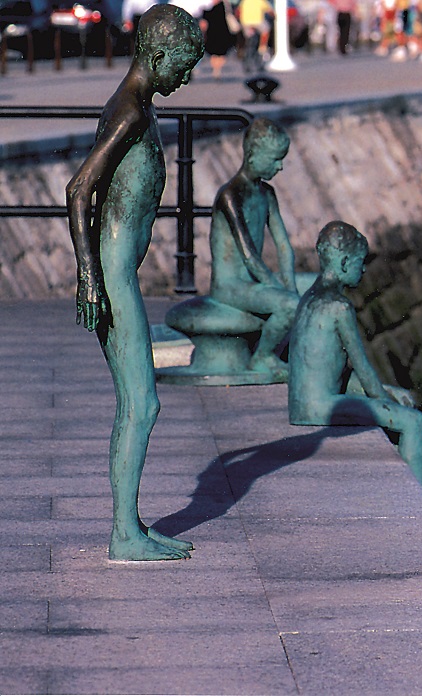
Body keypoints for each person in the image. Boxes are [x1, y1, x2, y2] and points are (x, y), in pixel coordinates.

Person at [65, 4, 204, 562]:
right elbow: (79, 190)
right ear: (156, 55)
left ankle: (132, 526)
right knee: (142, 405)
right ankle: (124, 535)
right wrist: (91, 279)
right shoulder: (128, 113)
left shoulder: (136, 106)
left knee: (136, 403)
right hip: (114, 279)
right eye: (183, 67)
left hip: (119, 275)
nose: (187, 78)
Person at [288, 222, 422, 524]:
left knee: (399, 399)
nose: (364, 271)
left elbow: (332, 368)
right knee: (413, 422)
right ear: (344, 263)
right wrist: (389, 405)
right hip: (318, 408)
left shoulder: (311, 295)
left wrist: (389, 392)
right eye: (361, 263)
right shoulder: (340, 307)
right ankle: (420, 507)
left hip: (306, 398)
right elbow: (362, 367)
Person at [209, 117, 300, 378]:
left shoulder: (267, 194)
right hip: (231, 286)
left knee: (309, 287)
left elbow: (284, 246)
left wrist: (291, 285)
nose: (280, 166)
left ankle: (293, 354)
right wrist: (277, 287)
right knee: (290, 305)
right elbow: (248, 254)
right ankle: (263, 357)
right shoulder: (230, 195)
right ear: (253, 154)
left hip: (252, 283)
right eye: (275, 159)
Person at [201, 0, 236, 79]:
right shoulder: (223, 4)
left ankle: (216, 69)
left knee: (217, 51)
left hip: (217, 30)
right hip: (220, 29)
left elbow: (205, 15)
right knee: (219, 52)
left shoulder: (209, 5)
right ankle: (217, 70)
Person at [238, 0, 272, 72]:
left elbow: (239, 10)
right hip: (258, 22)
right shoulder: (261, 1)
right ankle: (263, 45)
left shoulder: (245, 1)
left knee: (249, 41)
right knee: (266, 30)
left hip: (246, 23)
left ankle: (247, 62)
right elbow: (269, 10)